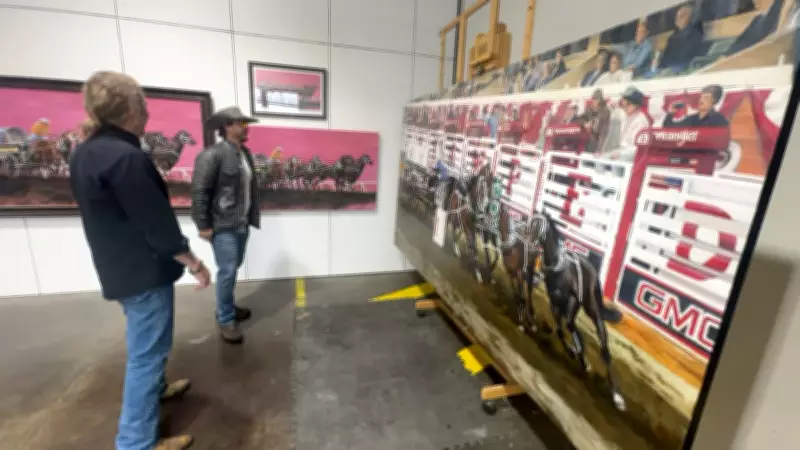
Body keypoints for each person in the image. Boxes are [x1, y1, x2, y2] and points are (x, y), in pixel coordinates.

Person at [69, 71, 211, 450]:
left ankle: (158, 390)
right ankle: (135, 442)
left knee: (147, 347)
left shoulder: (85, 152)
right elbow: (157, 225)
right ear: (131, 109)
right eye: (143, 104)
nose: (147, 112)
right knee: (147, 355)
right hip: (144, 272)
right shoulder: (126, 157)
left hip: (118, 268)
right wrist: (195, 264)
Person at [191, 106, 260, 344]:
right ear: (227, 126)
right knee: (228, 271)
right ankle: (226, 318)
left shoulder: (245, 154)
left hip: (242, 223)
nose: (245, 127)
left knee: (232, 267)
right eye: (241, 123)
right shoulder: (212, 155)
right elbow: (200, 191)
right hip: (223, 225)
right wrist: (203, 225)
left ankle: (227, 305)